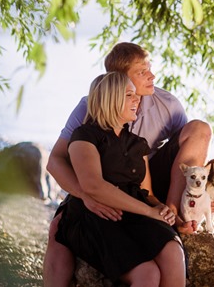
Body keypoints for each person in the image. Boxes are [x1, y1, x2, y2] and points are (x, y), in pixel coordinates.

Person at [44, 42, 214, 286]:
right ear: (117, 80)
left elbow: (187, 154)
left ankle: (176, 207)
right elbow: (58, 162)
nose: (152, 75)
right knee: (58, 230)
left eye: (149, 68)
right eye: (142, 72)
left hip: (142, 182)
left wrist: (210, 190)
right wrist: (84, 195)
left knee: (200, 129)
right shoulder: (89, 111)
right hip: (102, 181)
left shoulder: (165, 105)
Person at [54, 71, 185, 286]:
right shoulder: (84, 136)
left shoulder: (137, 143)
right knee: (148, 275)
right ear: (111, 99)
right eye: (129, 95)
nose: (138, 99)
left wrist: (162, 208)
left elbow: (147, 193)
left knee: (173, 252)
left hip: (134, 215)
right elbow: (93, 186)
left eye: (136, 95)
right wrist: (149, 212)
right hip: (97, 214)